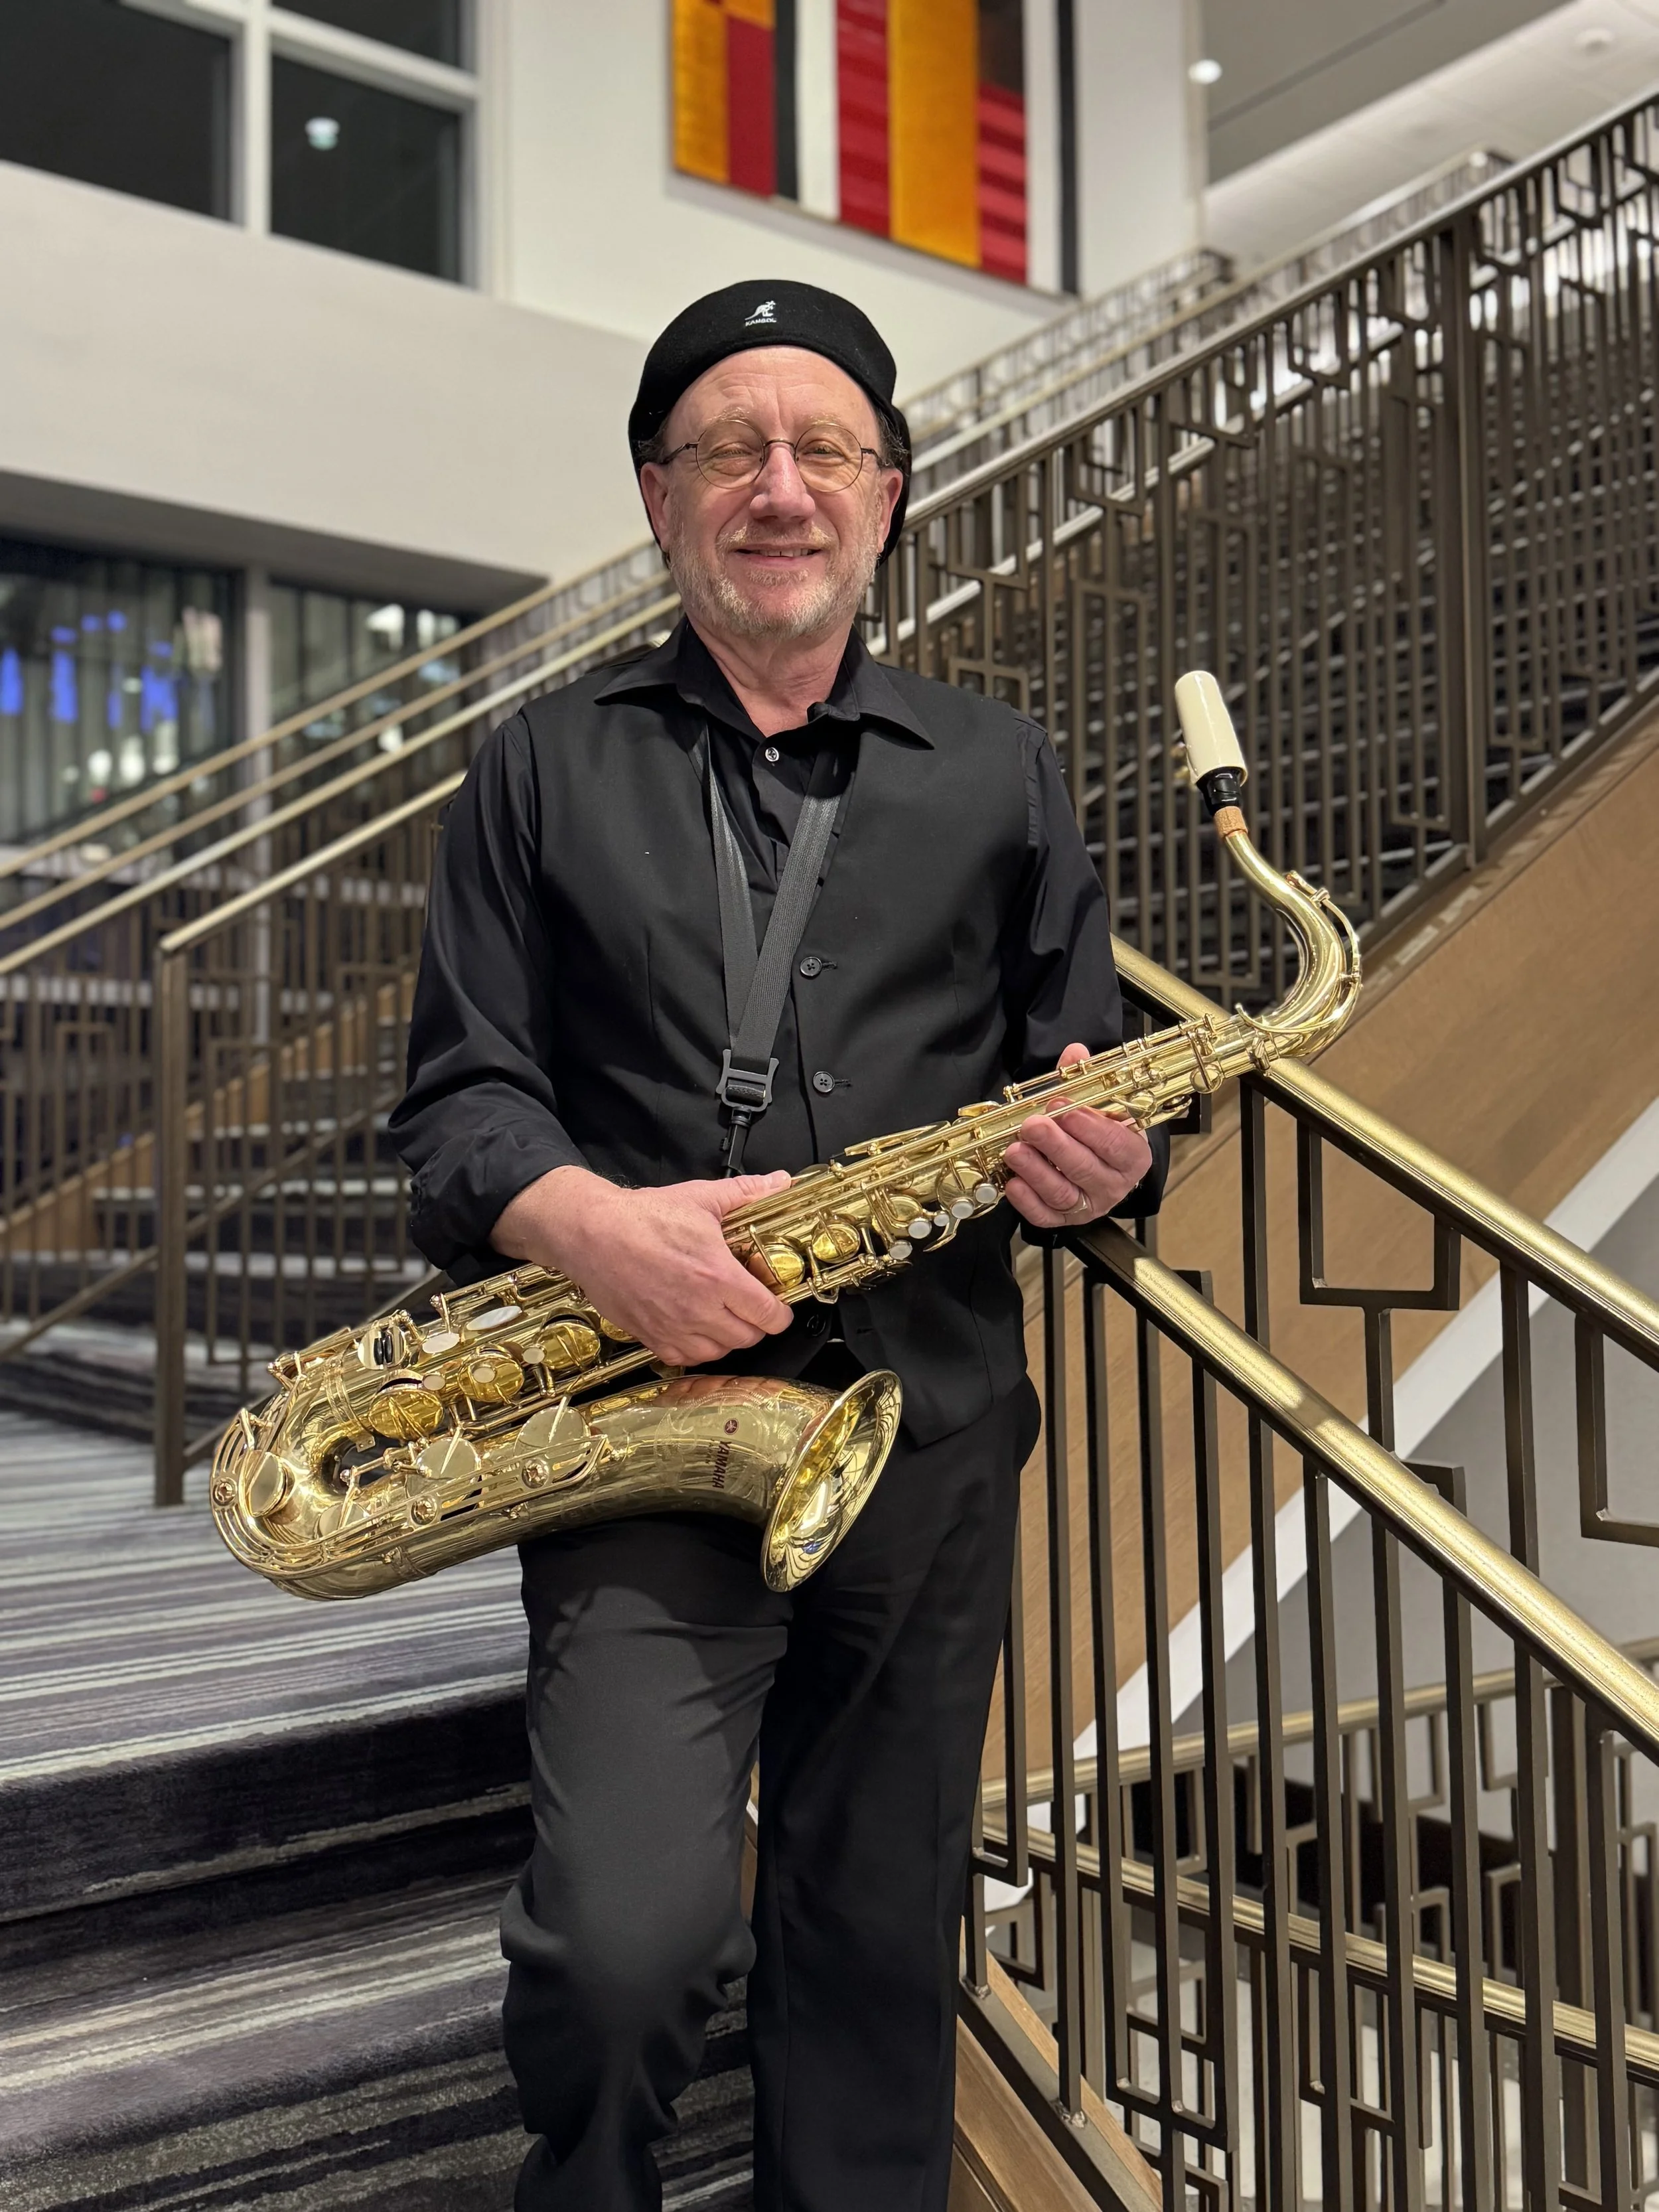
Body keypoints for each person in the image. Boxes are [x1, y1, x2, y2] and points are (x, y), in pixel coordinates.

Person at [389, 279, 1163, 2212]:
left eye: (822, 447)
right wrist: (588, 1223)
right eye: (729, 447)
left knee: (879, 1928)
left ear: (888, 495)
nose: (778, 485)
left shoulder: (1000, 769)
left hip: (930, 1419)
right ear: (659, 498)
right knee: (622, 1938)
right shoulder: (539, 765)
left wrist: (1111, 1160)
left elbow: (1086, 1074)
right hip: (641, 1420)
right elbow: (454, 1106)